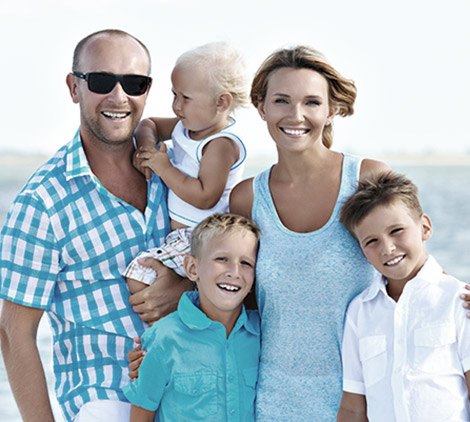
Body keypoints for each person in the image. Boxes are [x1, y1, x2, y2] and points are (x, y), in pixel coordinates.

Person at [0, 29, 190, 422]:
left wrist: (186, 288)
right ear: (74, 87)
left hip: (187, 399)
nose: (119, 97)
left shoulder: (178, 173)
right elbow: (14, 333)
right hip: (108, 402)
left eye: (134, 83)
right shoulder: (42, 203)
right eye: (102, 81)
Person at [337, 171, 470, 421]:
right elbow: (353, 406)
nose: (387, 248)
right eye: (371, 241)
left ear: (425, 227)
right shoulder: (360, 311)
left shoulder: (458, 299)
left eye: (396, 230)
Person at [123, 42, 248, 294]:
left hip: (200, 238)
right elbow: (149, 124)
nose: (176, 106)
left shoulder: (219, 144)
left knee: (139, 277)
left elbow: (205, 196)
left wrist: (163, 166)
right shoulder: (188, 125)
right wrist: (147, 148)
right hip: (177, 237)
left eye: (186, 98)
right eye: (174, 95)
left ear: (221, 103)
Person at [123, 213, 260, 422]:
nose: (235, 272)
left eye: (246, 263)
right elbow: (141, 415)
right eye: (222, 259)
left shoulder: (261, 334)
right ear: (192, 268)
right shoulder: (164, 338)